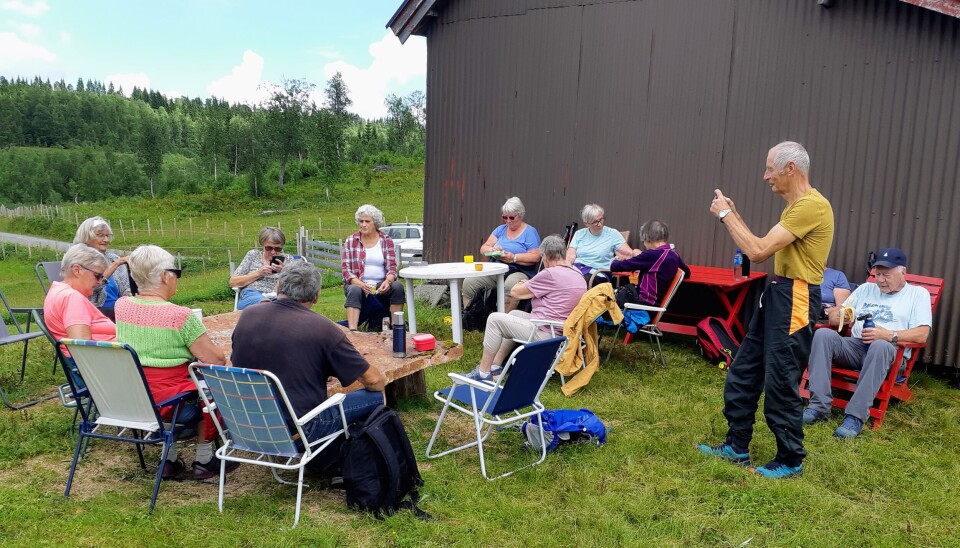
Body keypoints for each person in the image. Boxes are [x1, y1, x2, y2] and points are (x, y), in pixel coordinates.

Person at [698, 141, 834, 479]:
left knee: (781, 379)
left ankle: (790, 458)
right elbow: (758, 242)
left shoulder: (811, 207)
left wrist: (726, 215)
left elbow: (757, 251)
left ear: (791, 168)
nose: (765, 176)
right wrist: (734, 213)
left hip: (797, 297)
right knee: (744, 369)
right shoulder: (795, 207)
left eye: (770, 168)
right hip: (777, 293)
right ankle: (737, 445)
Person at [231, 262, 386, 471]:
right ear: (317, 296)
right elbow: (374, 381)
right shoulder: (324, 329)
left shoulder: (248, 315)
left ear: (278, 287)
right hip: (299, 430)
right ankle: (338, 460)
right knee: (376, 396)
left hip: (246, 425)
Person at [116, 245, 237, 481]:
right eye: (176, 273)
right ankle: (203, 460)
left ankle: (169, 459)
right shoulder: (180, 315)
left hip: (137, 397)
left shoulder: (122, 306)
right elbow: (215, 359)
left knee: (184, 383)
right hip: (174, 404)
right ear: (164, 276)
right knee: (213, 385)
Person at [804, 248, 931, 439]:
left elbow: (922, 334)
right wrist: (840, 316)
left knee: (880, 345)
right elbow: (833, 319)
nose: (880, 280)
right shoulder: (865, 289)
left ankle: (855, 416)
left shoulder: (917, 294)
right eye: (877, 274)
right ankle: (818, 407)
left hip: (891, 353)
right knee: (822, 335)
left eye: (886, 275)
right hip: (856, 346)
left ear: (902, 272)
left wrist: (887, 335)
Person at [463, 235, 587, 381]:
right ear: (563, 253)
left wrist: (521, 283)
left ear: (545, 256)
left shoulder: (550, 274)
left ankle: (483, 372)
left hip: (546, 333)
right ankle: (496, 365)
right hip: (565, 330)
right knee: (514, 313)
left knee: (494, 319)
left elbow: (516, 292)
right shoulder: (577, 273)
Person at [462, 197, 542, 312]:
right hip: (497, 269)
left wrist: (514, 258)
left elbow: (536, 256)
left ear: (520, 215)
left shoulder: (530, 232)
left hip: (520, 270)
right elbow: (483, 248)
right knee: (470, 282)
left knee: (510, 285)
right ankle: (470, 317)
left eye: (511, 217)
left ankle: (502, 321)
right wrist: (494, 250)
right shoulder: (500, 230)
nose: (508, 221)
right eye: (505, 217)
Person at [608, 219, 690, 329]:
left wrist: (616, 259)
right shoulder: (673, 254)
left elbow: (615, 267)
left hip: (642, 309)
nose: (644, 244)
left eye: (643, 241)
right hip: (653, 308)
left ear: (647, 238)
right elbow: (687, 273)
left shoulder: (651, 255)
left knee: (602, 295)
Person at [340, 204, 406, 330]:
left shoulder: (386, 240)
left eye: (367, 221)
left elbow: (392, 267)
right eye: (361, 221)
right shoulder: (351, 241)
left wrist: (387, 281)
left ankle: (395, 327)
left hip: (381, 283)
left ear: (375, 223)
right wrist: (360, 284)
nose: (363, 225)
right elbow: (346, 271)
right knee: (354, 290)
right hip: (357, 282)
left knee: (397, 287)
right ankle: (353, 330)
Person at [43, 243, 116, 343]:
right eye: (97, 275)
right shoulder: (72, 297)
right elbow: (82, 347)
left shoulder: (57, 289)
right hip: (106, 357)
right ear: (76, 270)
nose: (100, 281)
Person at [74, 216, 133, 318]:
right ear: (86, 237)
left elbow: (126, 288)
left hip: (118, 310)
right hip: (93, 311)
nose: (105, 239)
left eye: (107, 236)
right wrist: (116, 264)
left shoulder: (113, 258)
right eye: (100, 235)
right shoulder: (78, 260)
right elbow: (90, 289)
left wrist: (129, 296)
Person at [566, 204, 635, 286]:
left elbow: (628, 254)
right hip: (578, 269)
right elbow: (570, 255)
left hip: (598, 272)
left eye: (601, 219)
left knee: (583, 280)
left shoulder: (612, 234)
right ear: (586, 223)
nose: (600, 224)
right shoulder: (579, 234)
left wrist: (620, 258)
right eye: (595, 222)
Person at [230, 226, 292, 310]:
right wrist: (259, 273)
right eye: (269, 248)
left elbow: (299, 284)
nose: (273, 252)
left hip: (279, 296)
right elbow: (233, 282)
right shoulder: (253, 255)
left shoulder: (288, 259)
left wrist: (284, 271)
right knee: (267, 304)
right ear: (262, 245)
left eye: (277, 249)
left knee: (280, 304)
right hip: (253, 294)